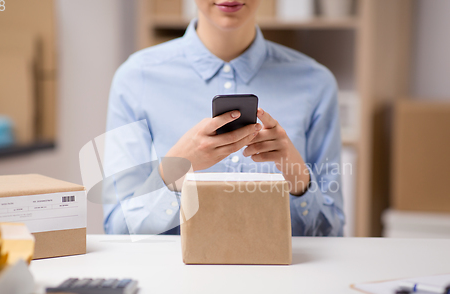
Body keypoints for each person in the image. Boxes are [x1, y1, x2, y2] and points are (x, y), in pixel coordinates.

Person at [103, 0, 344, 236]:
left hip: (282, 274)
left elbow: (332, 233)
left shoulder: (316, 83)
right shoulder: (136, 79)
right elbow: (117, 228)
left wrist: (297, 176)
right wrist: (175, 169)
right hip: (173, 275)